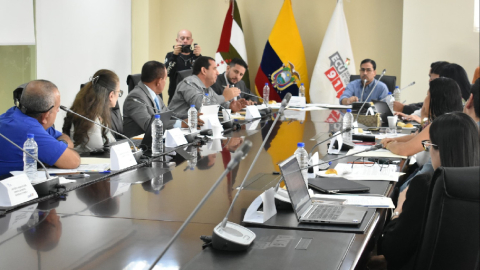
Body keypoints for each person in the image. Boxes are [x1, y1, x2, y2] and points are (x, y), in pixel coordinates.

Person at [379, 112, 480, 270]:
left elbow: (391, 249)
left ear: (441, 149)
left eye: (429, 146)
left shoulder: (427, 186)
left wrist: (399, 210)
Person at [0, 80, 80, 175]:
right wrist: (57, 150)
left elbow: (63, 136)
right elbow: (73, 161)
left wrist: (59, 145)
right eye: (57, 108)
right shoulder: (29, 129)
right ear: (45, 116)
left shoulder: (15, 114)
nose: (58, 111)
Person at [381, 77, 463, 157]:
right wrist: (395, 140)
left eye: (428, 95)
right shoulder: (451, 121)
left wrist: (389, 145)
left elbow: (404, 150)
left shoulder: (439, 126)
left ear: (436, 100)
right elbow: (417, 136)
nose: (425, 99)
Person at [123, 61, 204, 138]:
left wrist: (190, 116)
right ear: (159, 81)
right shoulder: (135, 97)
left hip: (156, 141)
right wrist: (182, 124)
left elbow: (169, 115)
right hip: (139, 146)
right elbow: (149, 125)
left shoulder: (155, 94)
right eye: (165, 79)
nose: (166, 82)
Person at [168, 56, 247, 119]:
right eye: (214, 69)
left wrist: (230, 106)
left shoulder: (207, 88)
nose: (218, 73)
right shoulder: (188, 84)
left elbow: (215, 101)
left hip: (194, 126)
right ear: (204, 70)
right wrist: (224, 97)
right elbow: (202, 105)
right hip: (177, 128)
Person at [63, 69, 120, 153]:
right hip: (87, 163)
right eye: (119, 92)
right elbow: (98, 151)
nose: (119, 95)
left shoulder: (99, 113)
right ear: (111, 95)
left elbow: (112, 143)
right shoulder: (90, 118)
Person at [165, 29, 202, 104]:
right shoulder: (170, 55)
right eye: (182, 38)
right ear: (177, 40)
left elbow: (201, 75)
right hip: (174, 95)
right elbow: (167, 73)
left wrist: (198, 57)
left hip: (193, 95)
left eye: (188, 38)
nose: (185, 41)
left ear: (191, 41)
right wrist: (174, 56)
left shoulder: (196, 56)